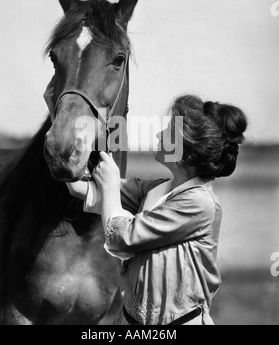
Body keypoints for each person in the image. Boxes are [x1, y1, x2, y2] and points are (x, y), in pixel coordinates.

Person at [45, 91, 248, 325]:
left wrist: (111, 185)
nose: (160, 135)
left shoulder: (200, 203)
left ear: (190, 151)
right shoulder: (155, 189)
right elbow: (80, 188)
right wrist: (68, 144)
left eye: (170, 133)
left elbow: (122, 237)